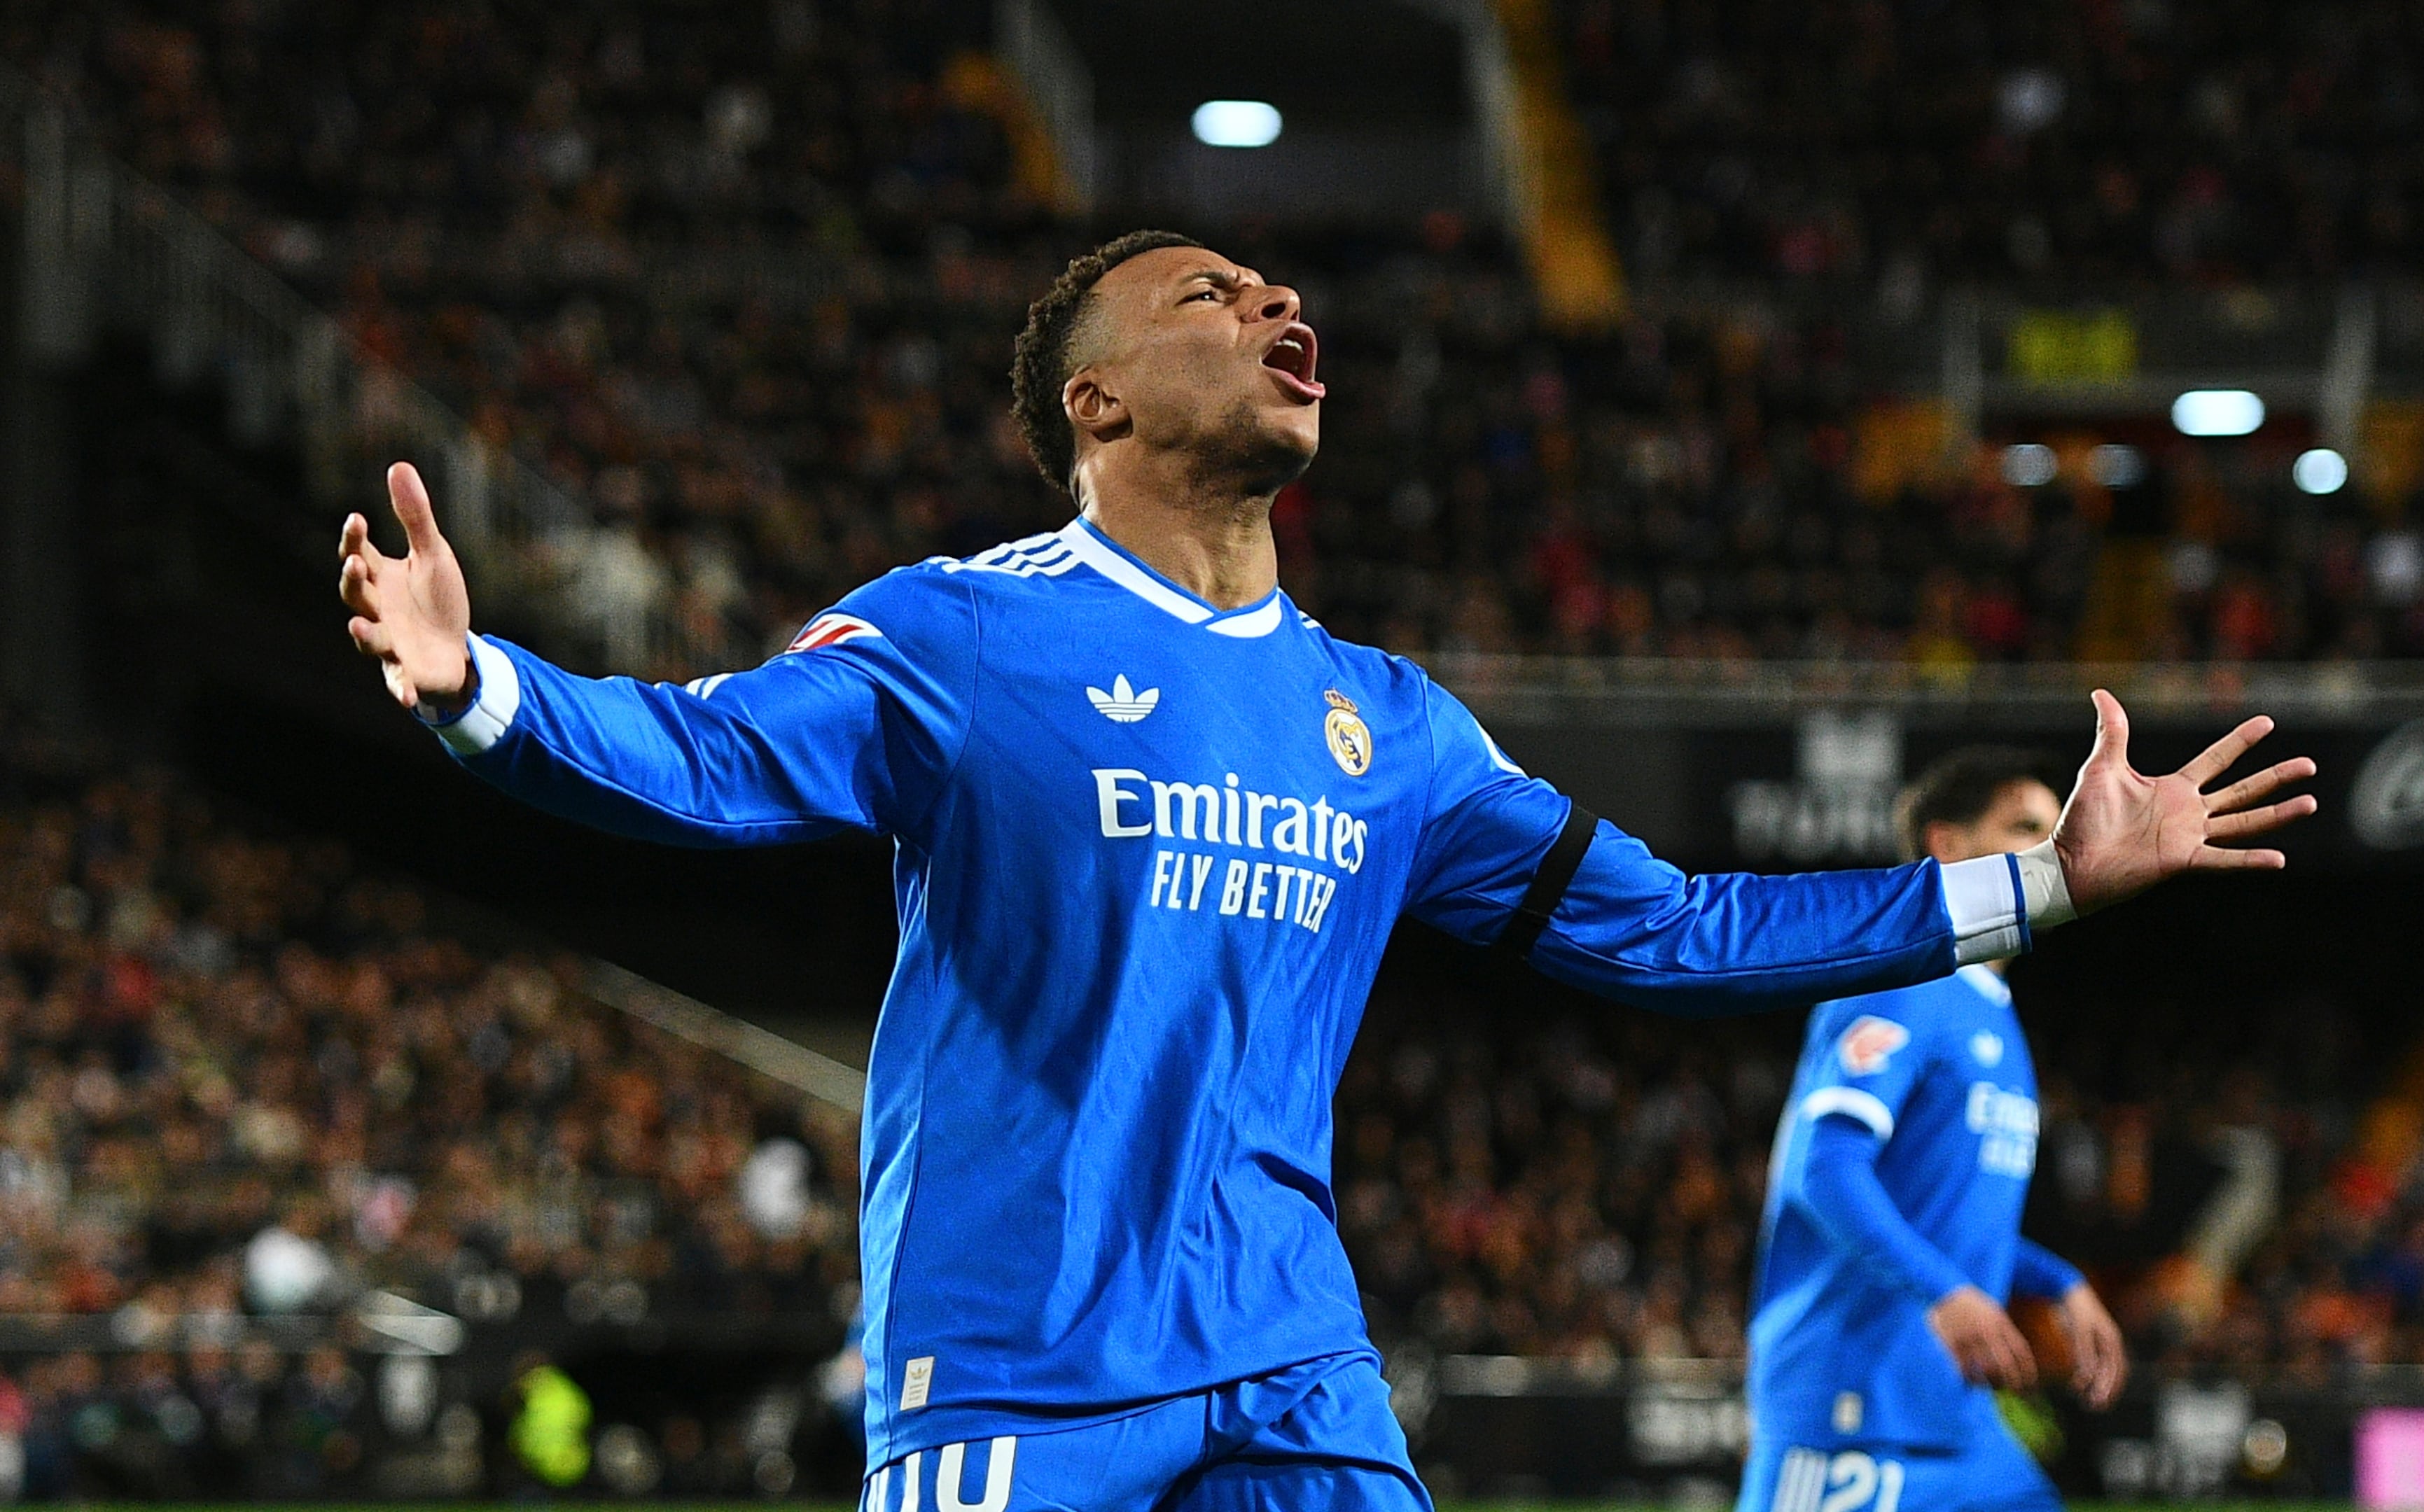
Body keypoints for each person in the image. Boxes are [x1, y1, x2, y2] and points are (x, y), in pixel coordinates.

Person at [336, 229, 2313, 1510]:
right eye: (1208, 297)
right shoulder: (964, 632)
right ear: (1095, 401)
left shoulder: (1393, 725)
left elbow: (1672, 928)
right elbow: (704, 757)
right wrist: (481, 686)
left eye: (1280, 294)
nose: (1276, 307)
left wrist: (2042, 886)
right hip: (1017, 1359)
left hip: (1289, 1361)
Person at [1738, 748, 2129, 1512]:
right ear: (1946, 845)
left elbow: (1946, 1217)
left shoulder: (1994, 1015)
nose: (2053, 850)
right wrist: (1947, 1290)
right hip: (1852, 1411)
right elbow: (1824, 1169)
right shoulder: (1902, 981)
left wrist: (2060, 1282)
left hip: (1953, 1413)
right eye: (2026, 828)